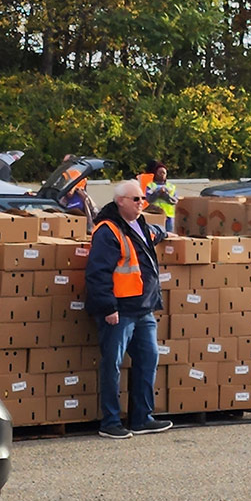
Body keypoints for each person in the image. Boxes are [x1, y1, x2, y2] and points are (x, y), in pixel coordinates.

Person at [85, 180, 171, 439]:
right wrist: (108, 306)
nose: (141, 203)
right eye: (135, 199)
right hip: (119, 311)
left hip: (143, 308)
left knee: (148, 360)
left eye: (142, 199)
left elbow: (152, 235)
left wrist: (165, 233)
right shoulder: (107, 231)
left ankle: (141, 418)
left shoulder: (140, 225)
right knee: (112, 364)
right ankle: (110, 422)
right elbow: (97, 273)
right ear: (120, 201)